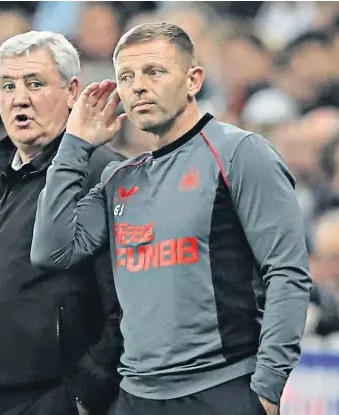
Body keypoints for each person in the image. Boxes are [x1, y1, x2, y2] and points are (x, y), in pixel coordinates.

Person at [31, 23, 312, 415]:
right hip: (135, 395)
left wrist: (266, 387)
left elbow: (287, 273)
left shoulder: (240, 154)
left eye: (154, 72)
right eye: (126, 77)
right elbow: (52, 250)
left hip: (221, 387)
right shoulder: (118, 178)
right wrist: (75, 146)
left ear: (193, 79)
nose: (138, 86)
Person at [0, 31, 124, 415]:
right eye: (8, 85)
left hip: (54, 400)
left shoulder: (99, 172)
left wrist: (83, 393)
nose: (20, 98)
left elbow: (124, 303)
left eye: (35, 83)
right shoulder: (4, 173)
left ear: (72, 91)